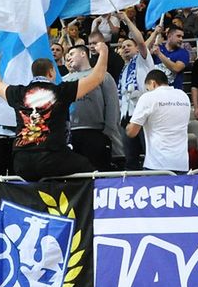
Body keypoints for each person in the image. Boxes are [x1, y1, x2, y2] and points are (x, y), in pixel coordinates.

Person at [0, 42, 109, 181]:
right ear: (51, 72)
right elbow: (97, 77)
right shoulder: (61, 91)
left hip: (21, 162)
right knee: (90, 171)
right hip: (52, 158)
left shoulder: (18, 93)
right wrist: (104, 52)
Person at [63, 44, 121, 171]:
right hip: (70, 135)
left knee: (97, 172)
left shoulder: (102, 75)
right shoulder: (64, 80)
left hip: (96, 132)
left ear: (83, 54)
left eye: (72, 54)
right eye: (67, 56)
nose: (68, 58)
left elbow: (112, 105)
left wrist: (108, 132)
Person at [126, 70, 190, 173]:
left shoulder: (148, 97)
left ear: (153, 83)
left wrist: (128, 126)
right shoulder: (183, 96)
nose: (148, 91)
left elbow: (132, 132)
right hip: (181, 163)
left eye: (148, 89)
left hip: (157, 164)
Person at [118, 15, 154, 170]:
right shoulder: (123, 70)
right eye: (123, 46)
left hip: (143, 114)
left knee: (149, 153)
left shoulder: (143, 60)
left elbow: (140, 41)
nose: (125, 47)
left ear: (137, 49)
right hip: (127, 116)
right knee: (130, 157)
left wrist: (126, 20)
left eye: (129, 45)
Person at [147, 26, 189, 90]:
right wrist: (155, 33)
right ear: (169, 36)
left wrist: (159, 54)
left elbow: (176, 68)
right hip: (155, 91)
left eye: (182, 37)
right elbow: (140, 52)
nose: (181, 39)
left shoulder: (183, 53)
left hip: (173, 92)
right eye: (178, 36)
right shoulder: (157, 48)